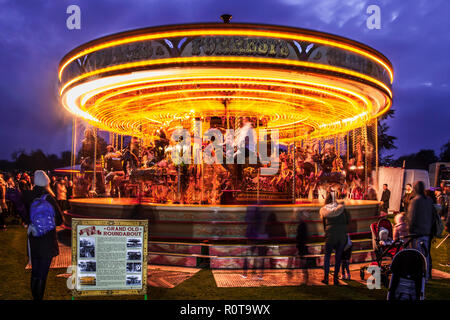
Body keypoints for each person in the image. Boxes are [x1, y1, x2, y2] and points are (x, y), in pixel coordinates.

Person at [22, 170, 63, 300]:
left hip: (34, 238)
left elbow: (25, 216)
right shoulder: (48, 197)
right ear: (46, 181)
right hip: (47, 240)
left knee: (35, 273)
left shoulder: (28, 195)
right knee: (42, 274)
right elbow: (60, 220)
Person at [320, 190, 350, 285]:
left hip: (330, 234)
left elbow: (324, 224)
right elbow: (347, 220)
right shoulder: (341, 209)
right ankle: (336, 279)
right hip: (341, 235)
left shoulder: (325, 210)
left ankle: (326, 278)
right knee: (338, 256)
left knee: (327, 256)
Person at [407, 181, 433, 281]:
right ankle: (425, 276)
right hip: (426, 232)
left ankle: (416, 275)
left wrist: (410, 229)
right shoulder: (429, 200)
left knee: (417, 255)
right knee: (425, 255)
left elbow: (411, 217)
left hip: (416, 233)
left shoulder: (415, 201)